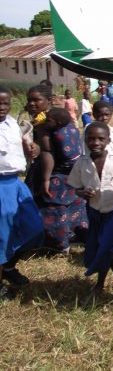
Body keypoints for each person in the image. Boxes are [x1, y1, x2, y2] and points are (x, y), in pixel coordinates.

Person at [68, 121, 113, 303]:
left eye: (100, 139)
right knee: (101, 246)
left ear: (108, 140)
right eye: (91, 139)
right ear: (85, 140)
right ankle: (106, 284)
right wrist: (83, 193)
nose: (95, 142)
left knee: (108, 246)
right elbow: (75, 187)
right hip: (95, 210)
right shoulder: (82, 162)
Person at [0, 85, 43, 300]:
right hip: (0, 184)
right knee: (2, 235)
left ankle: (8, 265)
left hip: (16, 182)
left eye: (6, 103)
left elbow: (25, 147)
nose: (2, 107)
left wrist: (32, 149)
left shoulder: (11, 125)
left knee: (33, 225)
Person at [38, 108, 88, 253]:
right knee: (76, 209)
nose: (46, 122)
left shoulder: (54, 134)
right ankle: (78, 237)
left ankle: (60, 244)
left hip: (59, 180)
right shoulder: (72, 129)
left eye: (49, 120)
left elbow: (49, 155)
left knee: (55, 211)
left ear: (58, 123)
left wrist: (45, 179)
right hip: (76, 177)